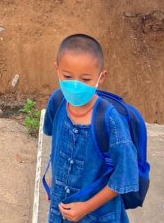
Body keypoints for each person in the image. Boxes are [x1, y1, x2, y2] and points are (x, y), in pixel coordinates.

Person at [44, 34, 139, 222]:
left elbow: (125, 176)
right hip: (60, 211)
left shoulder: (110, 121)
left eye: (86, 79)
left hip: (97, 216)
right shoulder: (57, 102)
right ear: (57, 69)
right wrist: (56, 183)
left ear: (101, 76)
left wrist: (86, 207)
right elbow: (56, 145)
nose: (76, 86)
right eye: (68, 76)